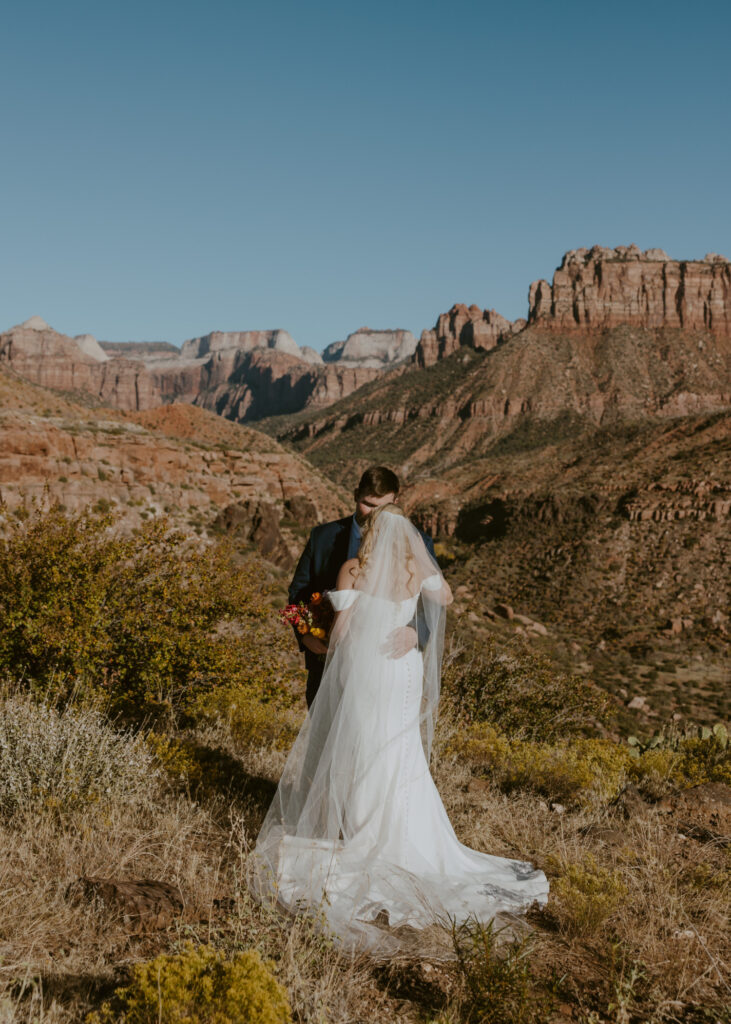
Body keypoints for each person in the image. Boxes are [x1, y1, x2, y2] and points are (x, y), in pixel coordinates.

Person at [251, 503, 549, 955]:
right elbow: (445, 598)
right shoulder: (414, 570)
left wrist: (317, 642)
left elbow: (345, 630)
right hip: (405, 670)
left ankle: (367, 833)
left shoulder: (354, 568)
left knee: (365, 747)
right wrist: (413, 618)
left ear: (371, 531)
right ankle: (409, 834)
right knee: (400, 750)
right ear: (406, 536)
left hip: (372, 667)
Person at [288, 465, 437, 708]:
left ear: (396, 502)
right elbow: (299, 590)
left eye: (383, 507)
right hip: (325, 661)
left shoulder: (419, 542)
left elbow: (431, 599)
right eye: (367, 504)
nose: (373, 514)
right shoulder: (323, 536)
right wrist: (304, 635)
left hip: (386, 664)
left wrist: (415, 632)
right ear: (356, 494)